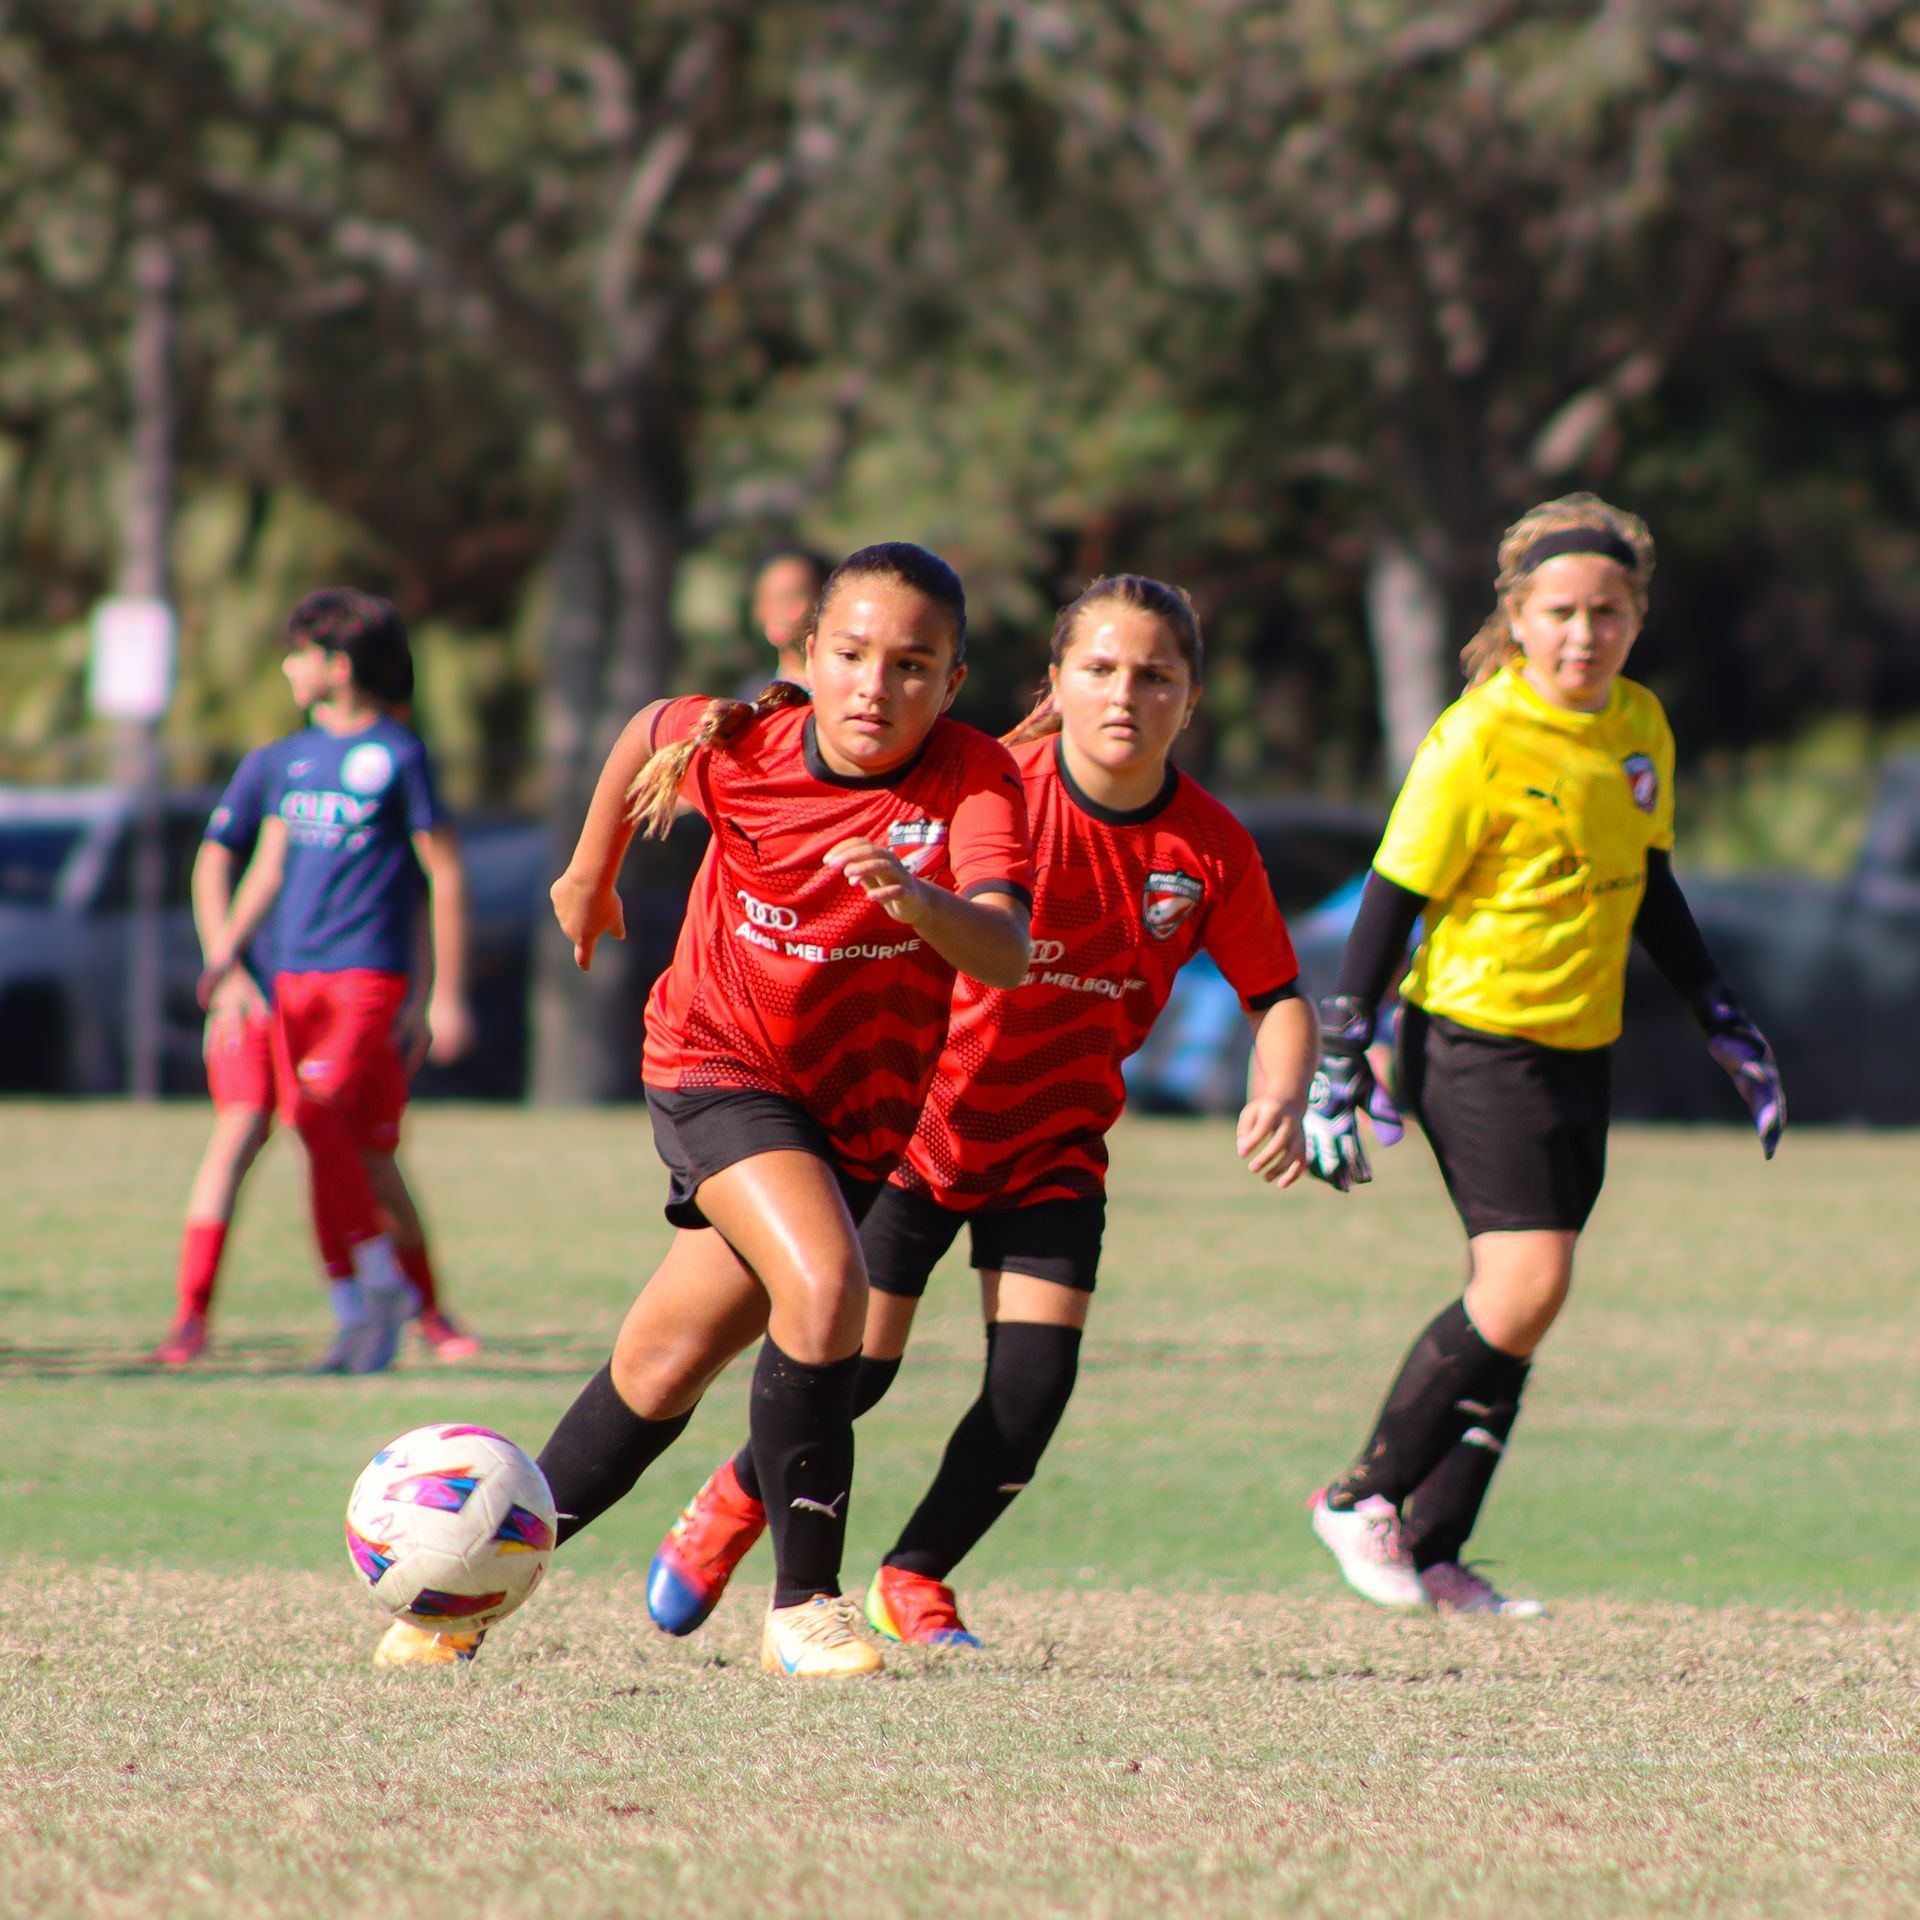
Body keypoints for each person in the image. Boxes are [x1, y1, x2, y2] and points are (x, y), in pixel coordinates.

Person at [372, 541, 1035, 1678]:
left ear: (955, 683)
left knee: (660, 1368)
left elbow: (1009, 952)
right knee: (828, 1284)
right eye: (853, 654)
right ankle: (805, 1606)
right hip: (715, 1062)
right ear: (808, 657)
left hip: (856, 1118)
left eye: (914, 665)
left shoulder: (977, 779)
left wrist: (923, 901)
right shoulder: (744, 745)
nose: (877, 685)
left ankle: (455, 1596)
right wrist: (589, 872)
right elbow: (644, 728)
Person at [647, 574, 1319, 1648]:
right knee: (855, 1374)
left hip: (1054, 1144)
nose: (1125, 695)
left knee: (1028, 1398)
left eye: (1156, 677)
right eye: (1099, 669)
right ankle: (737, 1494)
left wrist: (1279, 1092)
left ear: (1191, 702)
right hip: (918, 1129)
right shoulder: (993, 792)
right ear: (1054, 682)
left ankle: (912, 1580)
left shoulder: (1210, 848)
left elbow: (1276, 997)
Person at [1301, 493, 1785, 1616]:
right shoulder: (1477, 737)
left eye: (1606, 612)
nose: (1583, 634)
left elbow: (1651, 883)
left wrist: (1720, 1012)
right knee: (1528, 1282)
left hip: (1579, 1045)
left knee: (1520, 1304)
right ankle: (1357, 1496)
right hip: (1474, 1037)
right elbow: (1391, 895)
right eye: (1560, 611)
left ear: (1638, 616)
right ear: (1517, 616)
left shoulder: (1640, 726)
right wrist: (1342, 1050)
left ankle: (1433, 1550)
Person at [152, 609, 479, 1370]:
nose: (285, 670)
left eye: (296, 655)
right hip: (278, 983)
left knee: (332, 1124)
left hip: (365, 976)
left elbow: (440, 878)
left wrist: (441, 993)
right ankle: (239, 1311)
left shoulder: (399, 758)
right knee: (283, 1128)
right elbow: (254, 865)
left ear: (337, 663)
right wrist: (224, 960)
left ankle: (403, 1299)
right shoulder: (282, 761)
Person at [745, 544, 834, 688]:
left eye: (790, 597)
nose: (778, 609)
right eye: (769, 598)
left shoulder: (847, 694)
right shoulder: (750, 696)